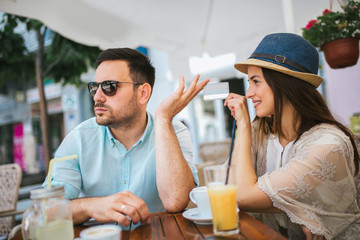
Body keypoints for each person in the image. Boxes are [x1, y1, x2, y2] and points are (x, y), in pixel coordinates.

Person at [44, 48, 209, 227]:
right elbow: (46, 211)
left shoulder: (174, 132)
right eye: (94, 87)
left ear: (143, 93)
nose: (97, 97)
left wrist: (163, 118)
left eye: (109, 87)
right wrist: (92, 206)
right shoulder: (78, 139)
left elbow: (176, 201)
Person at [224, 33, 360, 239]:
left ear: (284, 83)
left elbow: (242, 197)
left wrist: (242, 125)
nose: (249, 92)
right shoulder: (259, 132)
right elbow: (228, 189)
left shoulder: (328, 144)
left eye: (256, 81)